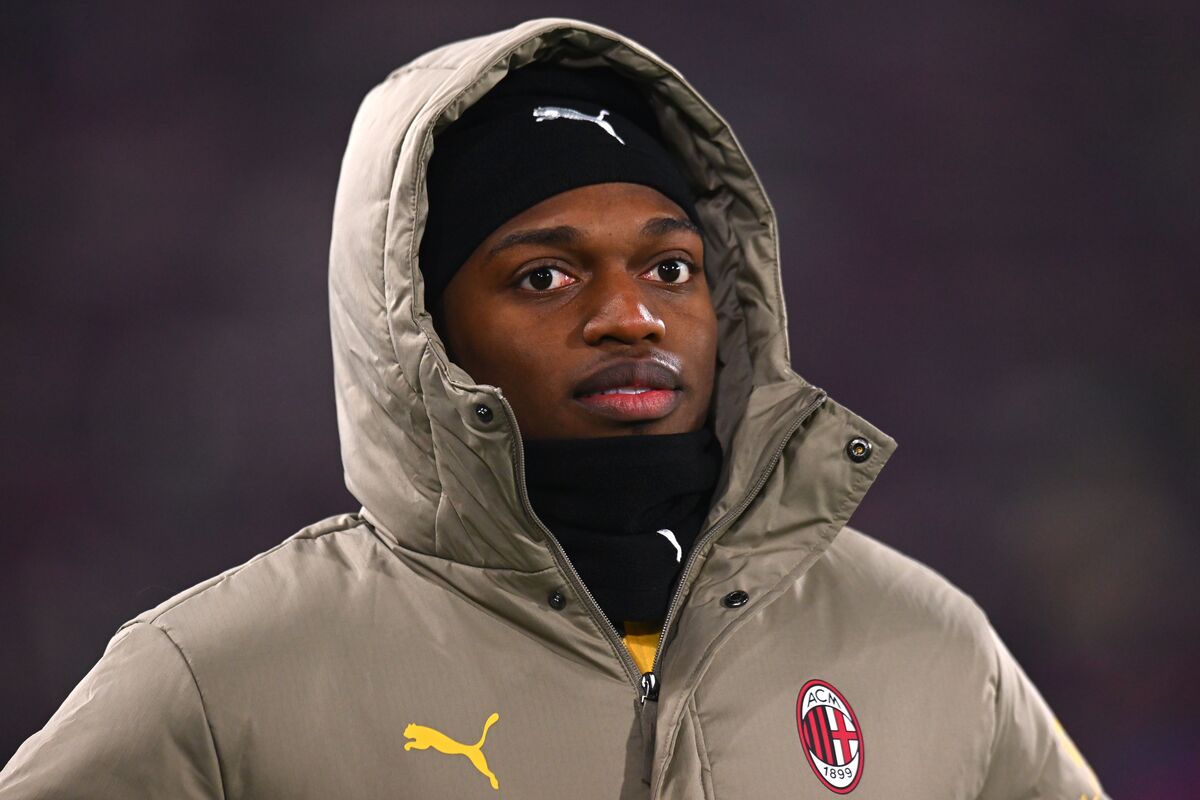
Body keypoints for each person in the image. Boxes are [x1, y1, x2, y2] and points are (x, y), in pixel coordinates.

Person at [0, 17, 1106, 799]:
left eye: (670, 268)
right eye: (545, 274)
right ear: (423, 324)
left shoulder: (927, 644)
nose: (631, 316)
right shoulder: (215, 680)